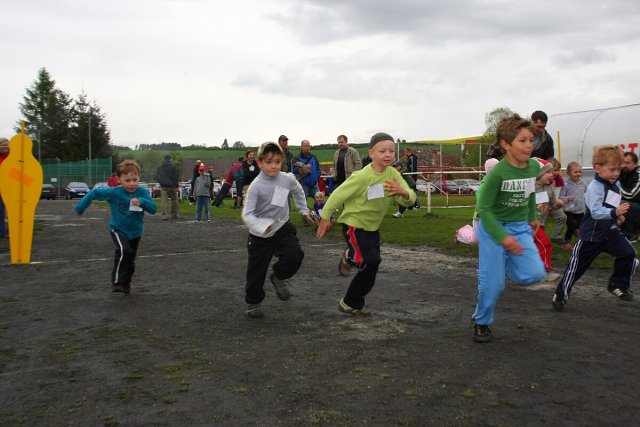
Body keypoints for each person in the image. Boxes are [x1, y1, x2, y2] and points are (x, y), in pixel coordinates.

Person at [317, 132, 416, 316]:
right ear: (371, 153)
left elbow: (409, 199)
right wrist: (325, 218)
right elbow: (338, 195)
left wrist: (403, 193)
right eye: (382, 151)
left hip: (372, 229)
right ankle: (350, 256)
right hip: (354, 226)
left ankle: (350, 303)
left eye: (391, 151)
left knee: (372, 267)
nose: (388, 154)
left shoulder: (393, 174)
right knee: (369, 260)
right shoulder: (362, 176)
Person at [472, 114, 546, 343]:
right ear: (506, 144)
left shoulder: (532, 166)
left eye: (530, 140)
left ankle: (498, 267)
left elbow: (529, 191)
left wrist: (532, 215)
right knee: (493, 284)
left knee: (535, 274)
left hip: (519, 227)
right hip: (493, 228)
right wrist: (502, 238)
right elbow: (484, 209)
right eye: (522, 141)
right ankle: (481, 321)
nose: (528, 145)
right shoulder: (498, 173)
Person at [552, 145, 637, 311]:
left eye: (618, 169)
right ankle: (560, 295)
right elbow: (597, 212)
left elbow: (613, 203)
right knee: (576, 269)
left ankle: (617, 284)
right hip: (591, 235)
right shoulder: (594, 187)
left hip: (610, 232)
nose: (616, 173)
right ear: (598, 169)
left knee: (629, 253)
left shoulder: (615, 184)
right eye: (612, 169)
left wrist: (618, 215)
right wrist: (614, 212)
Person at [241, 142, 313, 318]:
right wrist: (262, 226)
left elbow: (298, 191)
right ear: (259, 163)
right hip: (260, 235)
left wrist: (304, 210)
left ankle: (278, 276)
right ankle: (254, 302)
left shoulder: (287, 179)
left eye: (277, 161)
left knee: (295, 255)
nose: (273, 166)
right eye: (268, 162)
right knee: (256, 272)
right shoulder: (256, 186)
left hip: (282, 227)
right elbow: (247, 214)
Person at [74, 160, 157, 295]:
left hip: (135, 232)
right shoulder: (114, 192)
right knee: (124, 250)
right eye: (127, 180)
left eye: (135, 180)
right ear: (119, 179)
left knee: (130, 259)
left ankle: (126, 282)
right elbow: (94, 193)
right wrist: (80, 207)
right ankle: (117, 282)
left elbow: (153, 209)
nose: (131, 184)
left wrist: (142, 201)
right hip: (118, 229)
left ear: (139, 178)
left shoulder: (142, 192)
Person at [455, 158, 499, 244]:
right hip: (480, 218)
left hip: (493, 217)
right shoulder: (485, 184)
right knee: (474, 240)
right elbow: (480, 200)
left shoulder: (498, 182)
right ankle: (460, 233)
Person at [533, 158, 563, 282]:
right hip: (531, 224)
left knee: (532, 247)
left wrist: (558, 205)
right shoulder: (532, 187)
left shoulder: (550, 189)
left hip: (541, 224)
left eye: (552, 172)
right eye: (548, 172)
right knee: (545, 244)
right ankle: (546, 271)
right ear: (539, 173)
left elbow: (553, 205)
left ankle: (533, 270)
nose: (552, 175)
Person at [559, 161, 587, 244]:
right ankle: (567, 241)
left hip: (580, 210)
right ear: (568, 173)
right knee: (572, 225)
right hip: (568, 210)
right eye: (575, 172)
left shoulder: (583, 184)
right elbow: (560, 197)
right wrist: (567, 198)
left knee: (580, 227)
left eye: (580, 172)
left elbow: (588, 193)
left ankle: (579, 241)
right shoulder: (565, 185)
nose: (578, 174)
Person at [547, 157, 570, 249]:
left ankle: (556, 236)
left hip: (552, 204)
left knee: (562, 217)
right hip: (543, 205)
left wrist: (555, 203)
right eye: (555, 170)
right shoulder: (543, 179)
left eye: (558, 170)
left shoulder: (556, 179)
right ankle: (539, 240)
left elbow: (556, 192)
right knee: (541, 223)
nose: (557, 172)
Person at [619, 151, 640, 240]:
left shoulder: (638, 173)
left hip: (637, 206)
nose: (624, 165)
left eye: (627, 163)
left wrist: (617, 186)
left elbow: (631, 194)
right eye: (623, 162)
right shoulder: (623, 171)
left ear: (635, 164)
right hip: (631, 205)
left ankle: (629, 234)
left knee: (622, 204)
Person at [154, 155, 179, 221]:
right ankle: (174, 214)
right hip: (172, 186)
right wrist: (177, 186)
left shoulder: (160, 167)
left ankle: (164, 215)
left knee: (164, 201)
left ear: (164, 159)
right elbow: (175, 177)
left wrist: (160, 181)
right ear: (170, 159)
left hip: (163, 186)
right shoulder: (173, 167)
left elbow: (155, 176)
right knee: (174, 200)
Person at [0, 138, 9, 238]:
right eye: (2, 145)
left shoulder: (14, 157)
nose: (5, 146)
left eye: (6, 144)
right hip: (0, 189)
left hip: (11, 189)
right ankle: (2, 232)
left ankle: (14, 231)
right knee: (0, 211)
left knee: (12, 212)